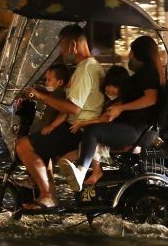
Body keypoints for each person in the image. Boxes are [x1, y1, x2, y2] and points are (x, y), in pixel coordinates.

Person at [15, 24, 105, 210]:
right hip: (81, 127)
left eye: (62, 46)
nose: (62, 51)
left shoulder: (85, 70)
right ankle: (46, 192)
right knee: (41, 143)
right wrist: (44, 91)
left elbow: (73, 108)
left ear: (73, 45)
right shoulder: (91, 66)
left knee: (22, 145)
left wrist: (41, 96)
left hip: (76, 129)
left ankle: (48, 196)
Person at [59, 35, 165, 192]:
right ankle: (89, 168)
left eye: (131, 52)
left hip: (139, 130)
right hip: (139, 128)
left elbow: (150, 99)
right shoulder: (148, 71)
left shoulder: (147, 72)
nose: (129, 56)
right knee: (94, 133)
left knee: (93, 131)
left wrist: (121, 108)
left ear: (139, 53)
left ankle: (81, 172)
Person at [64, 65, 131, 187]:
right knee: (72, 154)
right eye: (108, 85)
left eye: (115, 86)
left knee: (92, 140)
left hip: (114, 139)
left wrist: (82, 123)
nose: (110, 89)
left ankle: (96, 171)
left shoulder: (119, 104)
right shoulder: (109, 101)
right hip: (108, 137)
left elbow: (105, 119)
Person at [39, 64, 71, 135]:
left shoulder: (60, 94)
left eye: (49, 80)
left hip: (48, 132)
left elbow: (64, 112)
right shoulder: (54, 92)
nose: (46, 82)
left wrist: (51, 126)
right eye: (46, 79)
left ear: (60, 82)